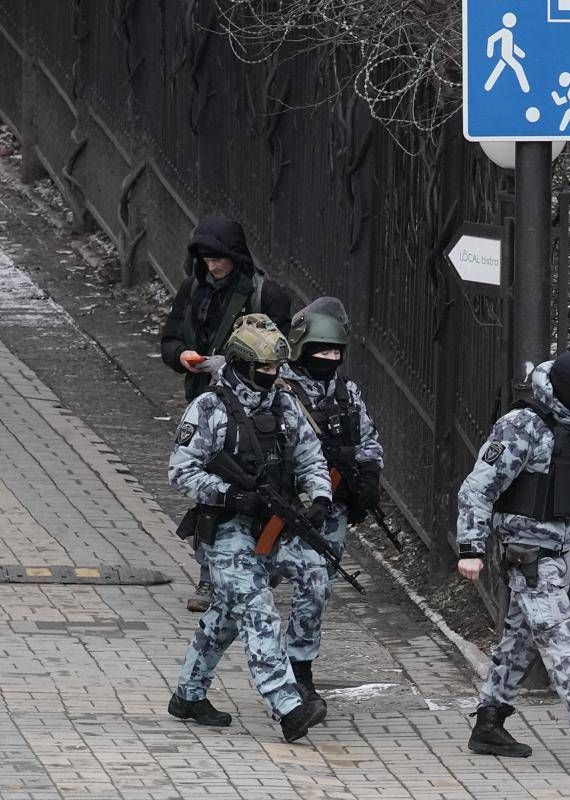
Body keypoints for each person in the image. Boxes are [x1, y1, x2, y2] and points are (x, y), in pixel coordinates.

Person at [456, 351, 570, 762]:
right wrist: (470, 547)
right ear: (561, 388)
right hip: (528, 552)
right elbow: (477, 489)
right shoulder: (522, 425)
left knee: (519, 643)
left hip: (562, 550)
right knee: (559, 638)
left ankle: (488, 723)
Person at [166, 314, 332, 743]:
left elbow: (311, 457)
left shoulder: (284, 404)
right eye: (265, 368)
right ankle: (288, 705)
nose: (272, 375)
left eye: (276, 367)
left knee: (312, 574)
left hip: (274, 525)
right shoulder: (209, 408)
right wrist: (231, 496)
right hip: (226, 528)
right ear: (242, 363)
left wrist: (319, 498)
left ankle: (188, 695)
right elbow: (180, 471)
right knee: (256, 609)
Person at [159, 216, 292, 614]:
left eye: (218, 258)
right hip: (206, 402)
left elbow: (282, 352)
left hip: (257, 408)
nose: (212, 265)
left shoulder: (266, 295)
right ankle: (210, 572)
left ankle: (258, 565)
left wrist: (233, 363)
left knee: (259, 483)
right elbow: (170, 339)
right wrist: (183, 356)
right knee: (210, 486)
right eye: (205, 258)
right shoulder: (194, 289)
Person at [276, 297, 384, 708]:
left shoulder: (346, 392)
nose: (329, 360)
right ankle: (195, 683)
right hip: (284, 508)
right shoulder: (277, 390)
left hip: (330, 511)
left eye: (336, 353)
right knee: (243, 596)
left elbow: (368, 440)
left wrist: (368, 476)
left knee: (316, 587)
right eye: (321, 352)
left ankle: (298, 669)